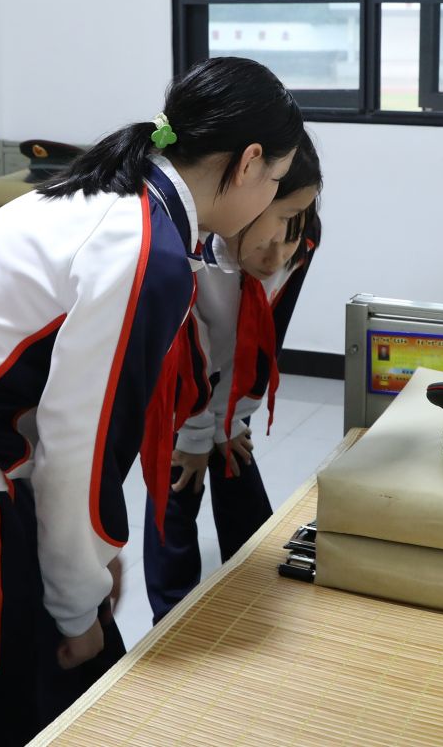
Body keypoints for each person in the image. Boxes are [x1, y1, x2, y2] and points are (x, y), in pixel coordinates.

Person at [0, 57, 305, 747]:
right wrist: (78, 606)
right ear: (249, 161)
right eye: (276, 183)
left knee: (28, 693)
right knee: (1, 716)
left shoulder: (117, 193)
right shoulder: (144, 249)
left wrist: (86, 563)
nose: (270, 203)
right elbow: (79, 446)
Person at [143, 134, 322, 620]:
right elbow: (187, 353)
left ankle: (254, 589)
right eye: (273, 229)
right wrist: (195, 433)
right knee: (178, 478)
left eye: (293, 231)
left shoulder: (301, 240)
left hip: (223, 376)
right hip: (168, 384)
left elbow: (265, 340)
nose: (277, 257)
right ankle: (169, 616)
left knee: (233, 454)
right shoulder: (188, 248)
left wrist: (235, 419)